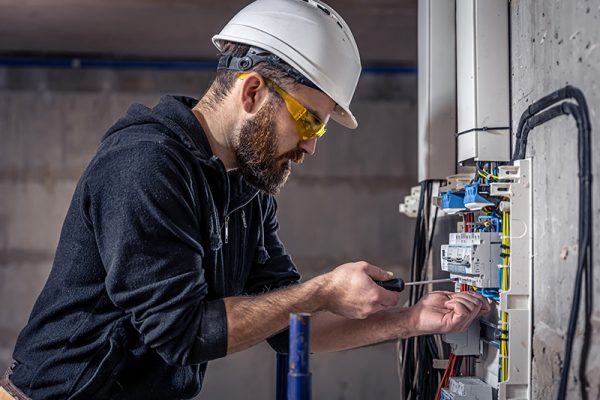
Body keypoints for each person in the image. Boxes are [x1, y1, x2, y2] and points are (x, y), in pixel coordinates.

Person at [1, 0, 490, 399]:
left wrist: (411, 320)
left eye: (320, 128)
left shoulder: (249, 192)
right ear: (252, 90)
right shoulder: (145, 165)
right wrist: (320, 290)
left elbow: (289, 327)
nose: (312, 144)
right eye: (308, 120)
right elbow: (183, 333)